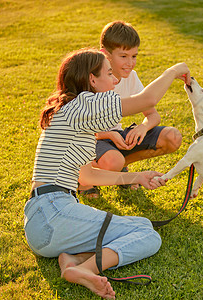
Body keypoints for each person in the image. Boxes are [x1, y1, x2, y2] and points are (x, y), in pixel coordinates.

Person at [24, 47, 191, 299]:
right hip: (54, 213)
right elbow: (146, 101)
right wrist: (175, 70)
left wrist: (136, 176)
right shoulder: (84, 102)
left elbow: (86, 176)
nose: (115, 80)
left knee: (140, 226)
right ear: (92, 79)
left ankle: (72, 258)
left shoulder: (73, 111)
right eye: (109, 74)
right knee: (147, 233)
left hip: (43, 222)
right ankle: (82, 270)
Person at [78, 21, 183, 197]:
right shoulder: (91, 80)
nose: (130, 63)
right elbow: (77, 129)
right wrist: (110, 134)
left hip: (118, 138)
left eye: (134, 56)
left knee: (172, 137)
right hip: (92, 140)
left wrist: (143, 127)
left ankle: (120, 171)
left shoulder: (131, 77)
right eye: (124, 56)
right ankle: (84, 180)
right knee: (114, 161)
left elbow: (152, 115)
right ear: (105, 54)